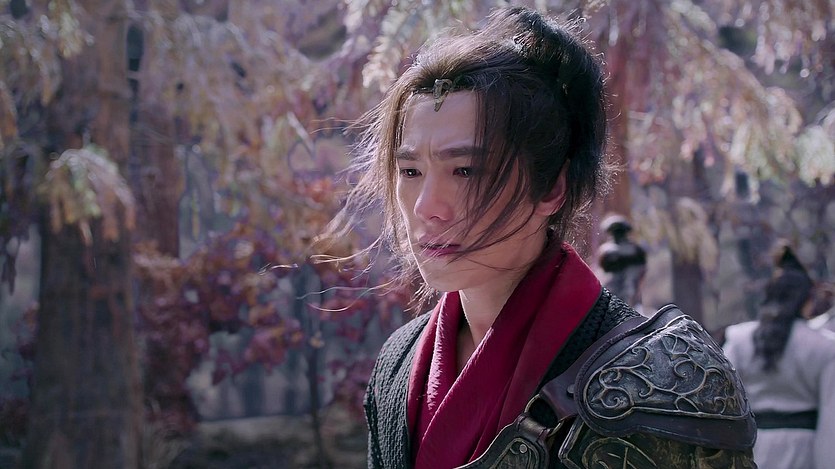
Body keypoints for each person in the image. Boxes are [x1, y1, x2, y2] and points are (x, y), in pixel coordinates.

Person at [323, 6, 756, 468]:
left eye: (465, 170)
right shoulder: (398, 363)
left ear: (550, 188)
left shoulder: (662, 380)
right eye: (410, 171)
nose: (426, 206)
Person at [723, 243, 835, 469]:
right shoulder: (823, 347)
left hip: (752, 447)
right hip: (803, 450)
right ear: (806, 301)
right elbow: (830, 417)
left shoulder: (739, 339)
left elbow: (723, 399)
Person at [596, 214, 647, 312]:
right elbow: (604, 268)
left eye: (620, 231)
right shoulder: (607, 250)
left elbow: (642, 268)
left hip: (630, 290)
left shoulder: (634, 249)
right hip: (614, 290)